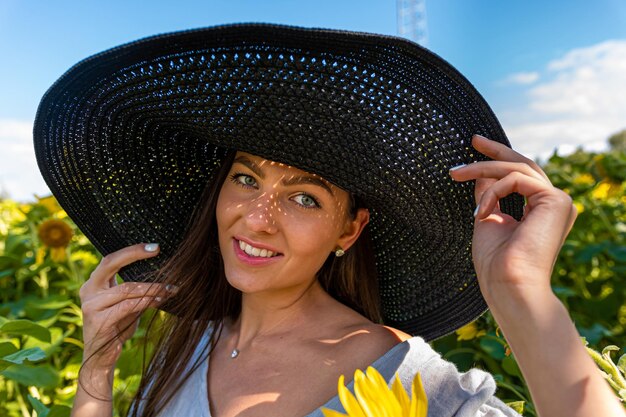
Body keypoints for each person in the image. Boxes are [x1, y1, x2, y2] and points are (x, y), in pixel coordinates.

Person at [33, 24, 624, 417]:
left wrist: (520, 294)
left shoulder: (413, 387)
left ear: (350, 229)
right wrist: (96, 378)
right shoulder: (188, 346)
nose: (256, 218)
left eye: (305, 197)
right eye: (246, 178)